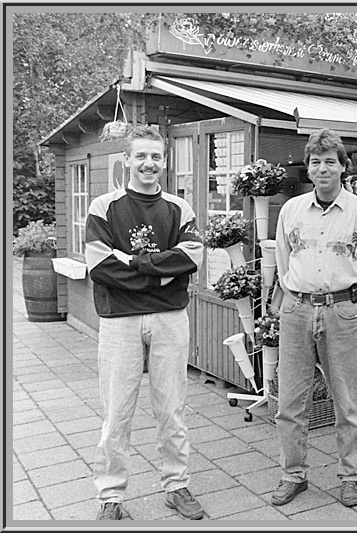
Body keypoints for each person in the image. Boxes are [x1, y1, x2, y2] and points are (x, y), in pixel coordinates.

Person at [85, 125, 205, 520]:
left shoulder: (179, 209)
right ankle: (111, 496)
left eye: (155, 156)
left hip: (170, 319)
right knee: (117, 410)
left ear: (165, 162)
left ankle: (177, 485)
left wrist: (134, 263)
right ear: (127, 160)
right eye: (140, 156)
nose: (148, 163)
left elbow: (190, 258)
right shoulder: (104, 206)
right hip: (120, 321)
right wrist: (161, 272)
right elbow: (101, 267)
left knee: (172, 408)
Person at [272, 128, 357, 507]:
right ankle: (293, 475)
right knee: (289, 402)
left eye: (330, 162)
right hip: (297, 311)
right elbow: (284, 260)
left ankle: (351, 476)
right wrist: (296, 296)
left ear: (343, 167)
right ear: (308, 168)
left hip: (341, 312)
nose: (323, 168)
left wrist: (348, 303)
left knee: (347, 401)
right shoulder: (290, 211)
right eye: (316, 162)